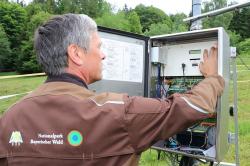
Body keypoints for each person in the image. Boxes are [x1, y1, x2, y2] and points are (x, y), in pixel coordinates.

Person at [0, 13, 224, 166]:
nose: (104, 54)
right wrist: (213, 77)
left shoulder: (10, 117)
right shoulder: (119, 113)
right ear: (76, 53)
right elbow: (193, 106)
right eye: (99, 46)